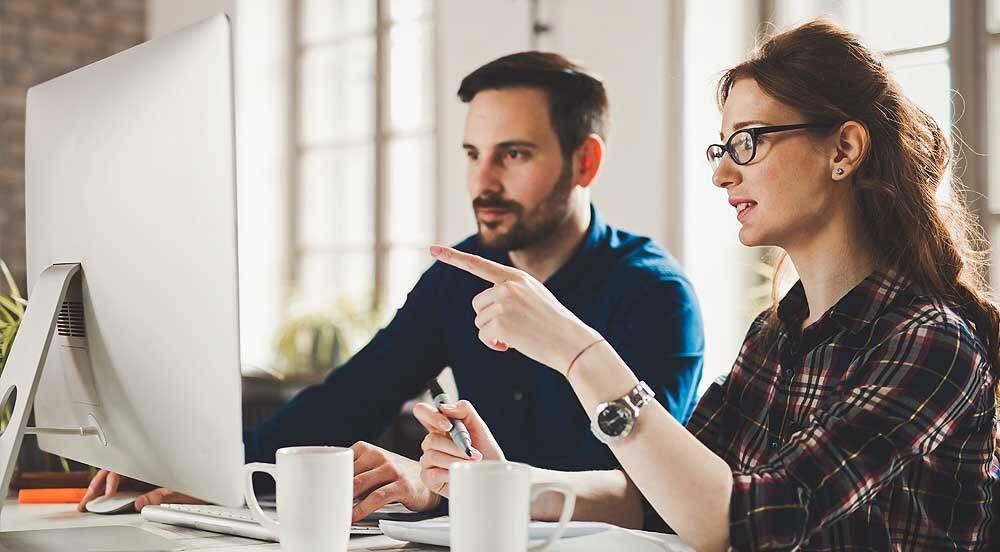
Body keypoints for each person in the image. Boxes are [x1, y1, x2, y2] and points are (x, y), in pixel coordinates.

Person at [414, 20, 998, 550]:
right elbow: (664, 498)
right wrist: (502, 482)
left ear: (843, 149)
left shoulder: (931, 345)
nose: (722, 173)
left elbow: (743, 520)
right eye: (723, 148)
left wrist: (579, 351)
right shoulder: (776, 335)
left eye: (748, 141)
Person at [78, 52, 704, 526]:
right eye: (471, 152)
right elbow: (351, 396)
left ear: (584, 163)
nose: (481, 180)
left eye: (512, 154)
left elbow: (647, 494)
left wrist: (445, 485)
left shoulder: (655, 296)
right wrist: (211, 475)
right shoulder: (458, 275)